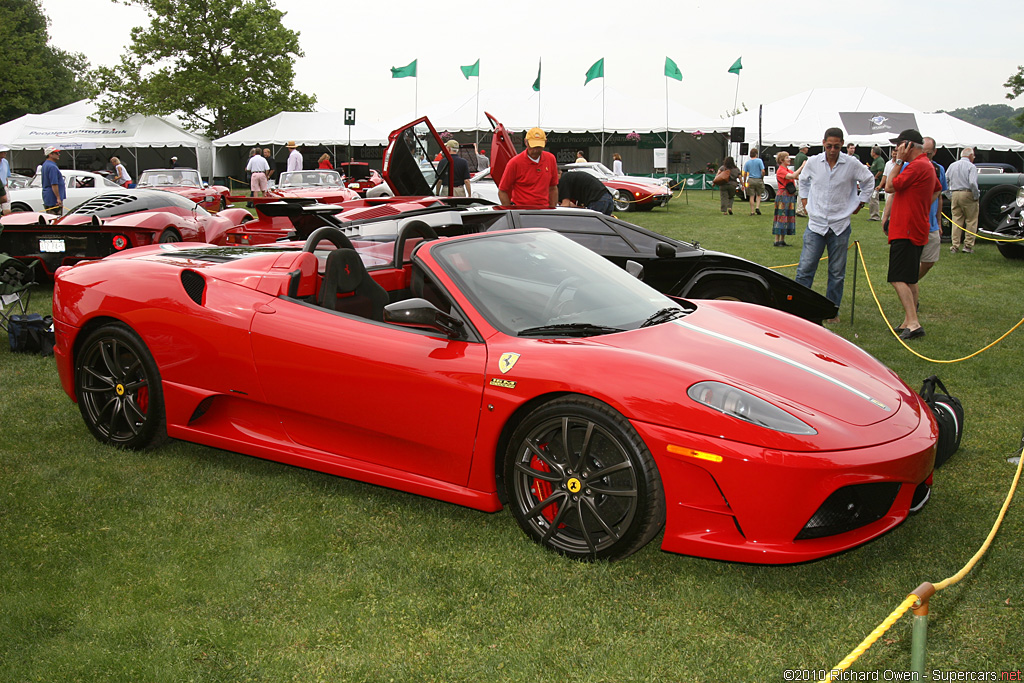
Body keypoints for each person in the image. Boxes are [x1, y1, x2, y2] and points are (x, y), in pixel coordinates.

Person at [795, 127, 874, 320]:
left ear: (842, 145)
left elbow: (869, 180)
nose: (832, 150)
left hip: (839, 225)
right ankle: (797, 309)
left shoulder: (851, 164)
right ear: (823, 143)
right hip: (816, 224)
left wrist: (860, 201)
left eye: (836, 146)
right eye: (829, 146)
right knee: (805, 269)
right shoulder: (813, 162)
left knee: (837, 272)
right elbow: (803, 181)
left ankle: (832, 311)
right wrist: (804, 200)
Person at [884, 129, 942, 340]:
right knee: (910, 278)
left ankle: (914, 323)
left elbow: (889, 186)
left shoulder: (916, 166)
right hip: (914, 226)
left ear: (908, 145)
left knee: (898, 277)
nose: (896, 149)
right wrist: (920, 204)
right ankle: (910, 320)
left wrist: (897, 162)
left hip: (906, 229)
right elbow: (937, 189)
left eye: (899, 145)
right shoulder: (926, 165)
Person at [497, 127, 559, 208]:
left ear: (545, 142)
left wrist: (552, 209)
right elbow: (502, 191)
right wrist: (510, 210)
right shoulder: (515, 163)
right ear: (526, 142)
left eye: (539, 147)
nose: (535, 150)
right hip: (521, 212)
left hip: (544, 211)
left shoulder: (551, 159)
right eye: (533, 146)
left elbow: (553, 187)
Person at [918, 137, 947, 282]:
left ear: (934, 152)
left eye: (928, 154)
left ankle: (911, 281)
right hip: (916, 222)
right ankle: (908, 286)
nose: (925, 157)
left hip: (932, 224)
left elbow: (939, 196)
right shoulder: (912, 167)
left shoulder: (939, 169)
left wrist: (939, 222)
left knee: (929, 262)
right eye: (922, 153)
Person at [946, 147, 980, 254]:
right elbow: (973, 183)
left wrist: (949, 195)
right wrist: (976, 195)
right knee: (971, 220)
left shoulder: (952, 165)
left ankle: (955, 245)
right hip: (967, 193)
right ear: (970, 156)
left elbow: (945, 180)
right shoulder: (971, 166)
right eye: (973, 156)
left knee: (956, 220)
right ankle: (968, 245)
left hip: (955, 193)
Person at [772, 151, 805, 246]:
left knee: (787, 217)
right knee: (781, 217)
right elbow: (793, 176)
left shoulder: (787, 170)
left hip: (789, 196)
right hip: (783, 196)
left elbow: (798, 177)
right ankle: (777, 240)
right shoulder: (781, 170)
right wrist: (802, 166)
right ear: (782, 160)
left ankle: (782, 240)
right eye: (787, 158)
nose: (789, 159)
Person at [41, 146, 66, 216]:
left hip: (48, 196)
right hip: (53, 198)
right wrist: (58, 198)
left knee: (49, 217)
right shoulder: (52, 167)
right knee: (55, 218)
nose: (59, 154)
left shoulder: (46, 164)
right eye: (56, 153)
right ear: (50, 154)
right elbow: (54, 183)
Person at [742, 148, 766, 215]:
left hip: (750, 179)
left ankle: (752, 211)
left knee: (751, 196)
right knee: (759, 194)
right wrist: (762, 177)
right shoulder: (759, 161)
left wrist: (744, 182)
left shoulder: (747, 162)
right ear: (756, 154)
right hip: (758, 179)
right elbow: (763, 170)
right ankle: (757, 207)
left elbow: (745, 173)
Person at [868, 146, 885, 221]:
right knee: (872, 200)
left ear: (874, 153)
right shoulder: (875, 160)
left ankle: (875, 216)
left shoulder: (879, 160)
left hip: (876, 184)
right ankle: (873, 215)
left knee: (874, 199)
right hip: (873, 183)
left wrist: (875, 176)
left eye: (871, 151)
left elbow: (881, 169)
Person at [793, 144, 810, 216]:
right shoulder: (804, 157)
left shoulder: (797, 156)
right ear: (803, 149)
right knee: (803, 193)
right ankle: (800, 210)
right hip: (802, 176)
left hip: (797, 176)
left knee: (800, 192)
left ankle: (799, 209)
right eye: (806, 148)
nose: (807, 149)